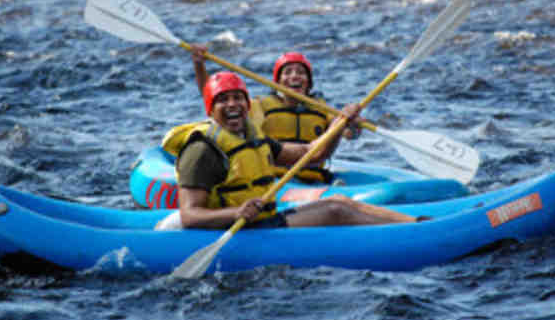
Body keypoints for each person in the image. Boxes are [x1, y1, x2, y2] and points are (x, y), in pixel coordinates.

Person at [159, 71, 425, 229]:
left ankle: (416, 224)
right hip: (238, 228)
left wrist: (340, 123)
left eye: (238, 98)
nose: (232, 104)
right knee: (335, 212)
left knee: (341, 201)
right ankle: (413, 236)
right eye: (223, 100)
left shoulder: (252, 137)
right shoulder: (201, 150)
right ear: (210, 109)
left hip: (262, 221)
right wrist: (236, 213)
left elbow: (313, 154)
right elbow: (190, 215)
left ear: (247, 104)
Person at [190, 45, 362, 183]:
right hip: (276, 180)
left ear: (309, 83)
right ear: (277, 82)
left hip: (314, 178)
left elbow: (349, 134)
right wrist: (199, 65)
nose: (294, 76)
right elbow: (214, 97)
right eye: (287, 72)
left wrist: (353, 124)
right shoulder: (261, 105)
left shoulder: (322, 109)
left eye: (301, 72)